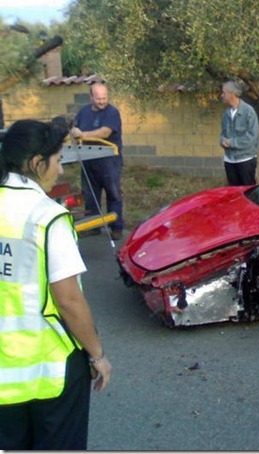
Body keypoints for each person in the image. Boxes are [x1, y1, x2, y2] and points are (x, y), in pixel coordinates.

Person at [0, 119, 112, 449]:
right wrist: (97, 356)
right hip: (50, 372)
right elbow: (68, 300)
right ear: (37, 162)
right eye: (59, 160)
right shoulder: (47, 217)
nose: (61, 171)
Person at [71, 82, 124, 240]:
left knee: (113, 194)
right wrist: (74, 131)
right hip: (88, 160)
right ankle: (93, 226)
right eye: (98, 98)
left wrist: (83, 135)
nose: (102, 101)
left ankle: (116, 227)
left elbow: (105, 132)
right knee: (90, 195)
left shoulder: (112, 112)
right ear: (91, 97)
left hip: (108, 161)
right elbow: (75, 128)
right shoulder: (83, 112)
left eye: (105, 98)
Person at [219, 80, 259, 186]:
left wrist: (232, 143)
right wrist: (222, 141)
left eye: (224, 93)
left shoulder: (248, 112)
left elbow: (252, 137)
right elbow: (223, 134)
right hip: (229, 160)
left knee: (248, 193)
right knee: (233, 194)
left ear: (232, 94)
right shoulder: (226, 114)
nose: (222, 95)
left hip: (245, 160)